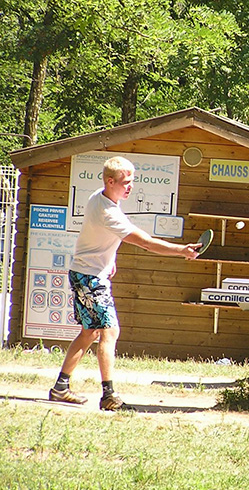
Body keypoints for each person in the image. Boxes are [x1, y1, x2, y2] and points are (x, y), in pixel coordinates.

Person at [49, 156, 201, 411]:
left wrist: (111, 259)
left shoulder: (100, 196)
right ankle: (109, 396)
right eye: (126, 182)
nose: (131, 187)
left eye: (132, 181)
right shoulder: (108, 212)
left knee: (90, 332)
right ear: (110, 181)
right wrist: (181, 250)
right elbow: (145, 242)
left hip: (85, 273)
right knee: (110, 331)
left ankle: (60, 388)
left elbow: (102, 238)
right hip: (90, 278)